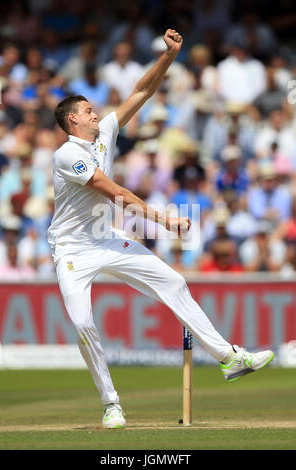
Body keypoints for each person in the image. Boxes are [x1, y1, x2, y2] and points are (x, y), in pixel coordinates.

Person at [48, 29, 274, 430]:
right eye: (88, 111)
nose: (96, 114)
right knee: (83, 322)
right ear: (73, 120)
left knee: (173, 281)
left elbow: (141, 92)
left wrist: (169, 57)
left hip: (105, 240)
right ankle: (111, 404)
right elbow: (113, 190)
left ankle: (230, 357)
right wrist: (165, 221)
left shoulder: (106, 134)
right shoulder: (67, 154)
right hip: (70, 250)